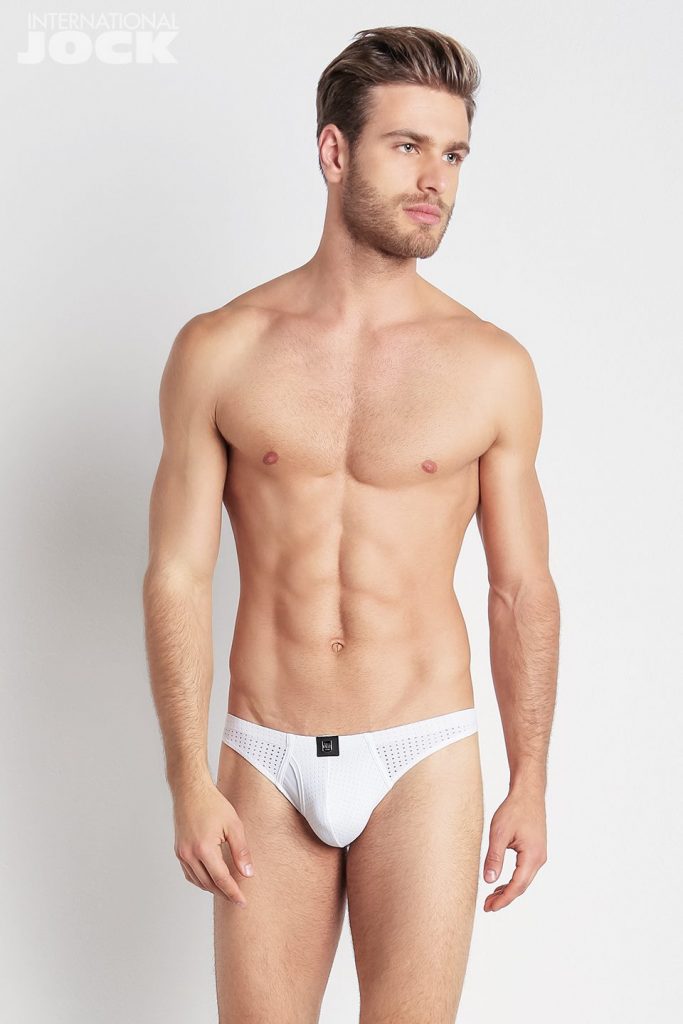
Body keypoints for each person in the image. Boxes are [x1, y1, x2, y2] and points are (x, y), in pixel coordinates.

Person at [143, 24, 560, 1024]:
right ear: (334, 152)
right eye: (406, 146)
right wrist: (187, 777)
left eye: (451, 154)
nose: (434, 180)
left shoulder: (489, 366)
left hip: (422, 751)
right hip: (266, 751)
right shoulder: (221, 349)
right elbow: (176, 575)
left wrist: (530, 780)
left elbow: (519, 589)